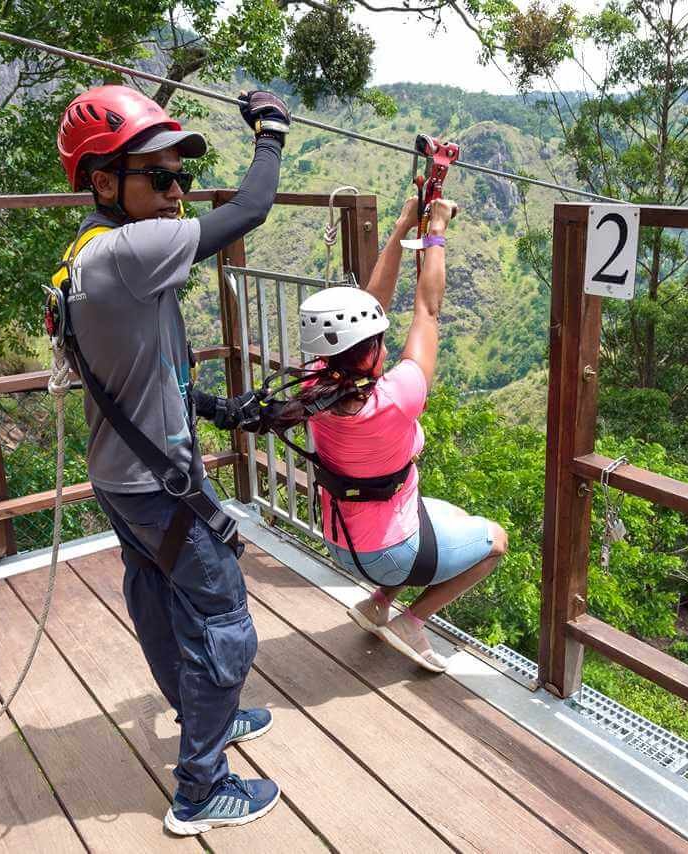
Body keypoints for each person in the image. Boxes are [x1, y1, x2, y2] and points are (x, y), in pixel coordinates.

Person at [55, 84, 287, 837]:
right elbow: (250, 210)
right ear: (101, 181)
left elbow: (147, 370)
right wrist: (271, 135)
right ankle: (201, 788)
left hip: (124, 473)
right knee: (225, 622)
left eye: (180, 177)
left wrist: (216, 409)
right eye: (158, 177)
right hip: (158, 484)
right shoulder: (132, 250)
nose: (177, 193)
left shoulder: (90, 253)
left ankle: (201, 716)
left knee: (158, 601)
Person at [267, 197, 508, 672]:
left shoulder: (316, 386)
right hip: (390, 554)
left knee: (444, 512)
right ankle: (412, 620)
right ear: (373, 347)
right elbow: (428, 308)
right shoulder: (397, 396)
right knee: (495, 542)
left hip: (337, 540)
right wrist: (435, 231)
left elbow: (370, 308)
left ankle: (379, 604)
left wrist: (402, 225)